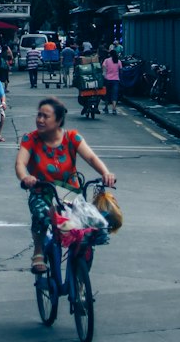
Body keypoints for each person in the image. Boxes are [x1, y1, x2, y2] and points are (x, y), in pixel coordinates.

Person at [15, 96, 116, 274]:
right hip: (42, 191)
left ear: (59, 120)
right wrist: (26, 177)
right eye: (39, 115)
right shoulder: (30, 139)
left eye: (45, 116)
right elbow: (20, 164)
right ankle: (38, 251)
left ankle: (80, 276)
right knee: (41, 215)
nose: (40, 120)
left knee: (91, 227)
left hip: (70, 194)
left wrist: (105, 173)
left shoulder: (72, 137)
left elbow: (91, 158)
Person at [102, 48, 122, 115]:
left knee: (107, 94)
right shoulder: (118, 61)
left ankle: (106, 107)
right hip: (116, 80)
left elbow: (103, 70)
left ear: (109, 54)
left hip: (107, 79)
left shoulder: (106, 60)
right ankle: (114, 109)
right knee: (114, 95)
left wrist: (104, 76)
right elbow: (121, 70)